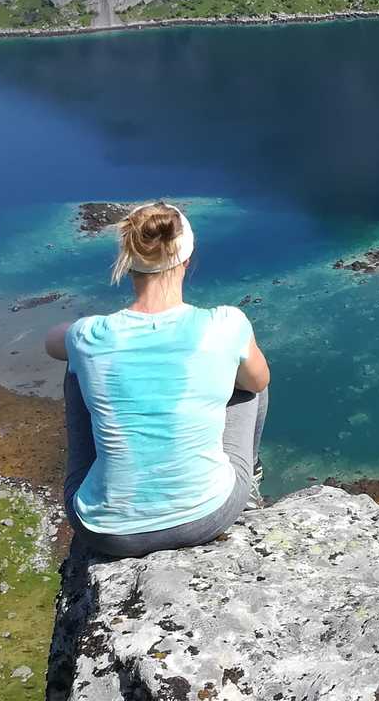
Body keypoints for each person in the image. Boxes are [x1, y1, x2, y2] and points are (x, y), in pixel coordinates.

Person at [46, 201, 271, 558]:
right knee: (250, 381)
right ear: (186, 258)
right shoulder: (226, 324)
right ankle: (250, 480)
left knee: (76, 368)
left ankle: (112, 484)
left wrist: (84, 337)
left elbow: (51, 343)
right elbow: (258, 382)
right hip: (206, 515)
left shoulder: (89, 334)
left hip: (105, 531)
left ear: (128, 261)